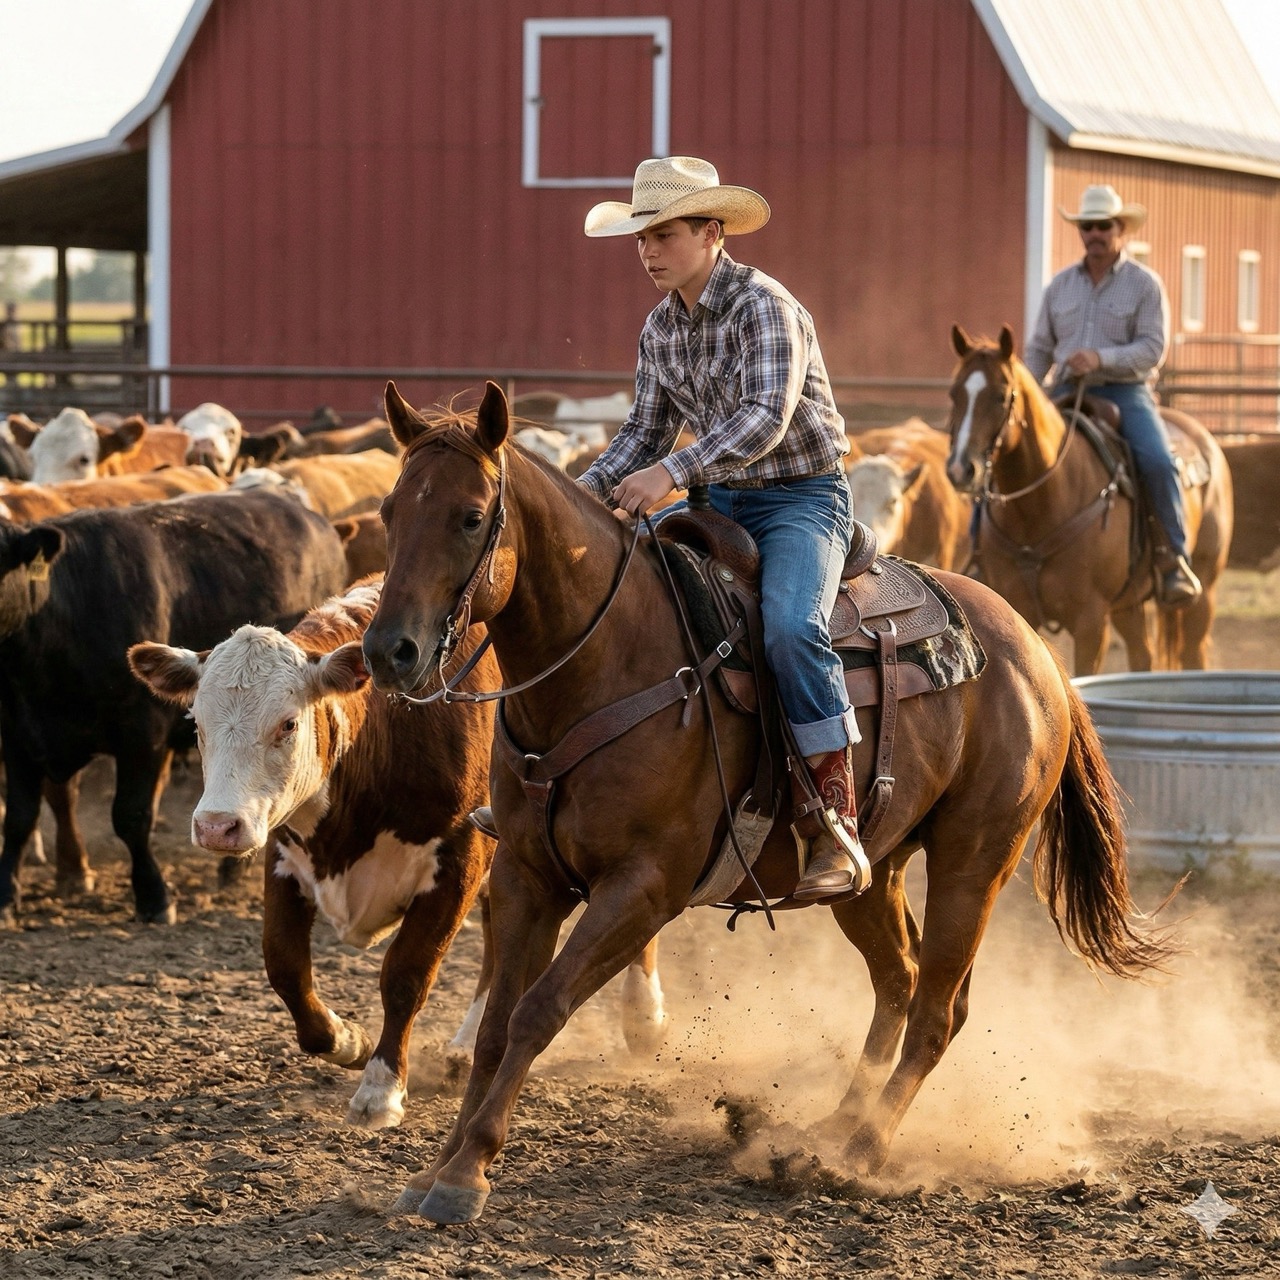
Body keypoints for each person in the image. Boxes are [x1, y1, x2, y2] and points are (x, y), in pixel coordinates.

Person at [573, 155, 868, 900]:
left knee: (792, 629)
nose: (647, 252)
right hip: (717, 499)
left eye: (662, 235)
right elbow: (642, 432)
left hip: (800, 496)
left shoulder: (765, 306)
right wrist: (576, 499)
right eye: (640, 239)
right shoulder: (660, 329)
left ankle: (835, 816)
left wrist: (670, 475)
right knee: (611, 600)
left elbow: (765, 420)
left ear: (711, 232)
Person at [1024, 183, 1201, 605]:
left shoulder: (1144, 285)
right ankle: (981, 550)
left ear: (1121, 229)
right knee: (1012, 449)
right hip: (1064, 389)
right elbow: (1039, 349)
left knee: (1157, 460)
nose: (1094, 234)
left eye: (1103, 226)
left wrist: (1099, 358)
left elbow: (1152, 348)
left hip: (1126, 392)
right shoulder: (1060, 286)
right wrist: (1028, 392)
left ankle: (1173, 558)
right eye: (1087, 226)